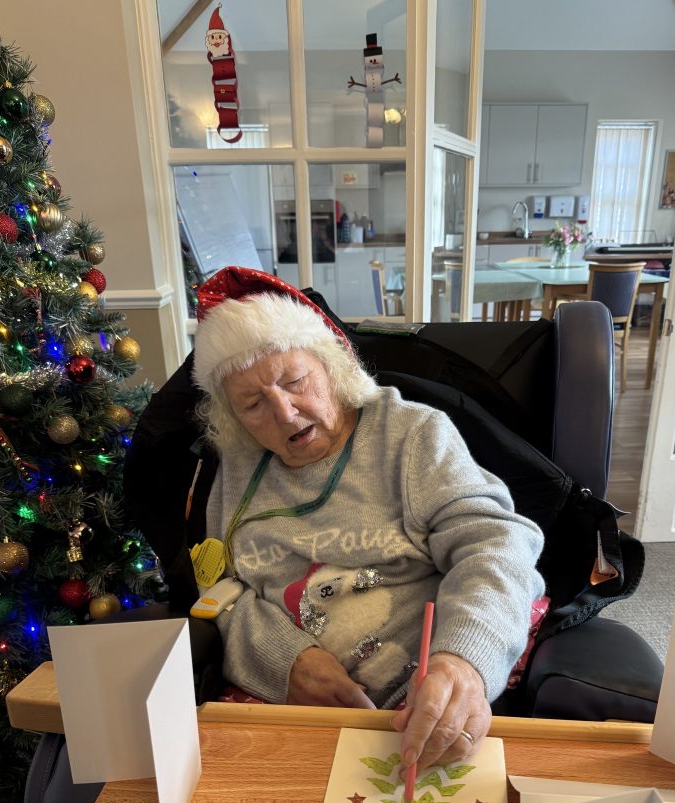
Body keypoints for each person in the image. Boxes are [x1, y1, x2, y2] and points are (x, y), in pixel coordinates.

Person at [191, 267, 545, 772]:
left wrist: (464, 658)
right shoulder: (238, 468)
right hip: (293, 706)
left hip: (427, 697)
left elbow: (495, 544)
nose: (286, 414)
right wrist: (285, 660)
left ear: (332, 366)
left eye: (295, 381)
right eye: (252, 404)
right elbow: (224, 590)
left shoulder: (410, 433)